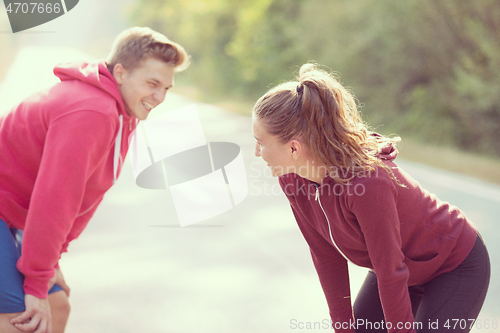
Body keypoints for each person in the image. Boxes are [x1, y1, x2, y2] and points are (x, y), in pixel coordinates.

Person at [252, 63, 490, 333]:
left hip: (453, 265)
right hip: (397, 271)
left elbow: (390, 271)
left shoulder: (367, 182)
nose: (256, 152)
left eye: (260, 142)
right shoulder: (292, 179)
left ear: (294, 148)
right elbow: (325, 255)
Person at [0, 27, 189, 333]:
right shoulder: (91, 111)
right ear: (120, 72)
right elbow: (56, 201)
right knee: (21, 321)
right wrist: (36, 281)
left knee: (57, 307)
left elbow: (86, 196)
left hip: (11, 216)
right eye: (152, 83)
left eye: (166, 88)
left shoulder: (121, 111)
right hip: (6, 212)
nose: (159, 97)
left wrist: (50, 262)